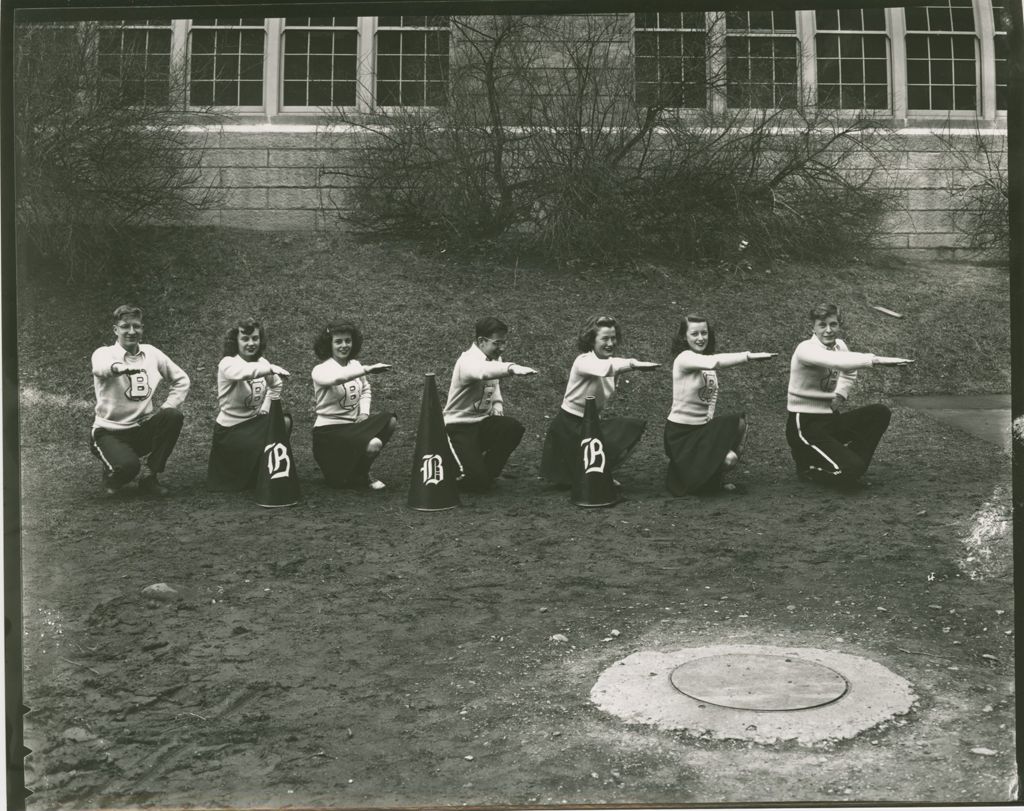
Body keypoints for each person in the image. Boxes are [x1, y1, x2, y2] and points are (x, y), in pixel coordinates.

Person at [786, 303, 913, 488]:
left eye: (833, 324)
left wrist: (840, 394)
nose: (828, 330)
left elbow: (849, 371)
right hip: (805, 426)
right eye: (822, 325)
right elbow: (837, 362)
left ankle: (849, 464)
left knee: (879, 413)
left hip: (829, 420)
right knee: (850, 471)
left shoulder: (840, 346)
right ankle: (809, 467)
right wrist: (874, 360)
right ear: (812, 327)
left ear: (839, 325)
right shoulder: (805, 349)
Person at [540, 315, 659, 488]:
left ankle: (601, 472)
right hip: (569, 427)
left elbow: (611, 366)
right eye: (604, 338)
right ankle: (593, 474)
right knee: (579, 480)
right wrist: (633, 364)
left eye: (613, 338)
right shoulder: (583, 361)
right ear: (591, 340)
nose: (610, 343)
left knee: (630, 429)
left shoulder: (612, 363)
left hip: (590, 423)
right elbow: (604, 369)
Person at [664, 314, 776, 495]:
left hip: (701, 429)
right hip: (680, 434)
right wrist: (747, 356)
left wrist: (709, 417)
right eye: (694, 334)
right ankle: (689, 472)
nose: (701, 338)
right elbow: (714, 362)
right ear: (684, 337)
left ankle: (711, 476)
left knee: (738, 424)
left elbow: (712, 393)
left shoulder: (705, 361)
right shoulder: (684, 358)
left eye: (704, 333)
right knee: (727, 459)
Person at [89, 304, 190, 497]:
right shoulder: (104, 353)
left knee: (173, 416)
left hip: (140, 430)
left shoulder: (151, 353)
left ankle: (149, 476)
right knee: (128, 468)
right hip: (109, 432)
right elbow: (100, 368)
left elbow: (182, 379)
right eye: (125, 326)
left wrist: (167, 406)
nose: (131, 331)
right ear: (115, 329)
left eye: (137, 326)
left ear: (142, 328)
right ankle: (114, 470)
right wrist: (120, 368)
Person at [443, 316, 538, 492]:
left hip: (481, 423)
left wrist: (497, 404)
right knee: (472, 482)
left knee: (512, 427)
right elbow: (484, 373)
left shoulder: (495, 359)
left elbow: (494, 384)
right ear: (481, 341)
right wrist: (511, 368)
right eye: (497, 343)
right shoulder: (467, 361)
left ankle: (485, 473)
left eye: (504, 342)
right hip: (458, 428)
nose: (501, 348)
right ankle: (455, 465)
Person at [207, 318, 292, 492]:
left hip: (255, 424)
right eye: (245, 339)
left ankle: (265, 473)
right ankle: (254, 474)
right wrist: (270, 368)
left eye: (255, 338)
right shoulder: (227, 363)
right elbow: (243, 373)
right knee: (268, 434)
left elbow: (276, 384)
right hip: (231, 430)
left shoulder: (263, 363)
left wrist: (266, 408)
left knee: (284, 422)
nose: (251, 343)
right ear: (235, 341)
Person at [311, 320, 397, 490]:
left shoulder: (355, 365)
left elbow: (365, 389)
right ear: (329, 344)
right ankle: (350, 472)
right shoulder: (320, 369)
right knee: (373, 445)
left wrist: (364, 413)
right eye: (338, 341)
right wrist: (366, 369)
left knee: (390, 420)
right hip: (328, 433)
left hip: (352, 428)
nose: (344, 345)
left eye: (347, 341)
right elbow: (336, 379)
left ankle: (362, 472)